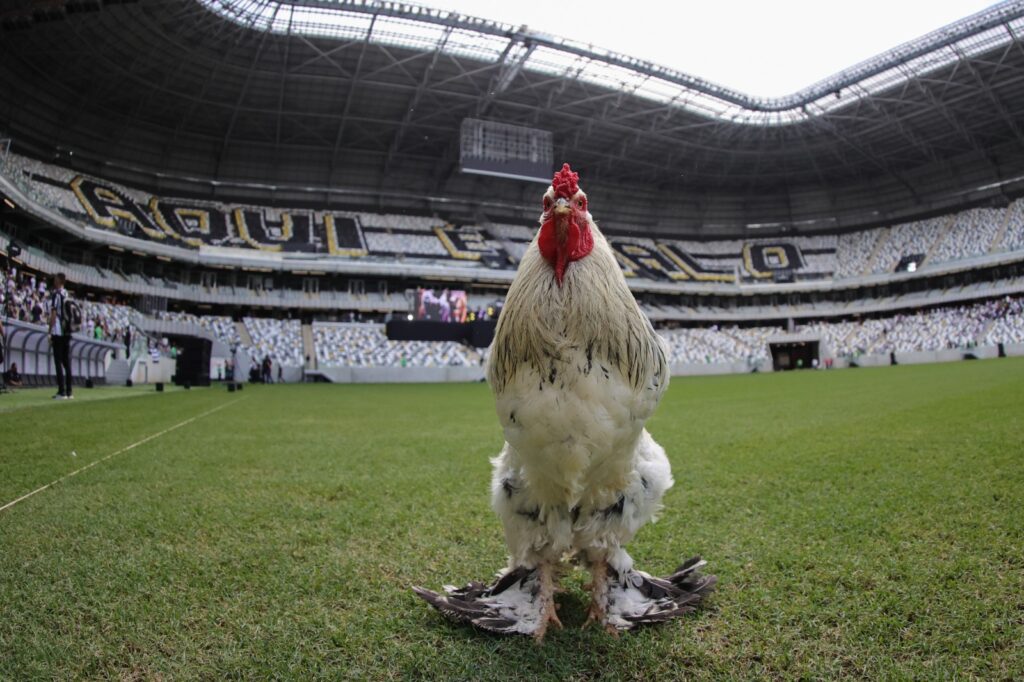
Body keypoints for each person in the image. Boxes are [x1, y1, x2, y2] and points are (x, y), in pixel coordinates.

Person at [47, 272, 73, 399]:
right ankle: (69, 391)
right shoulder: (67, 294)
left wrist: (49, 332)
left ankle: (61, 391)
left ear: (58, 281)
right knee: (67, 362)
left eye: (55, 279)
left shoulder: (56, 295)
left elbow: (53, 315)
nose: (54, 281)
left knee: (58, 361)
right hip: (67, 331)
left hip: (58, 332)